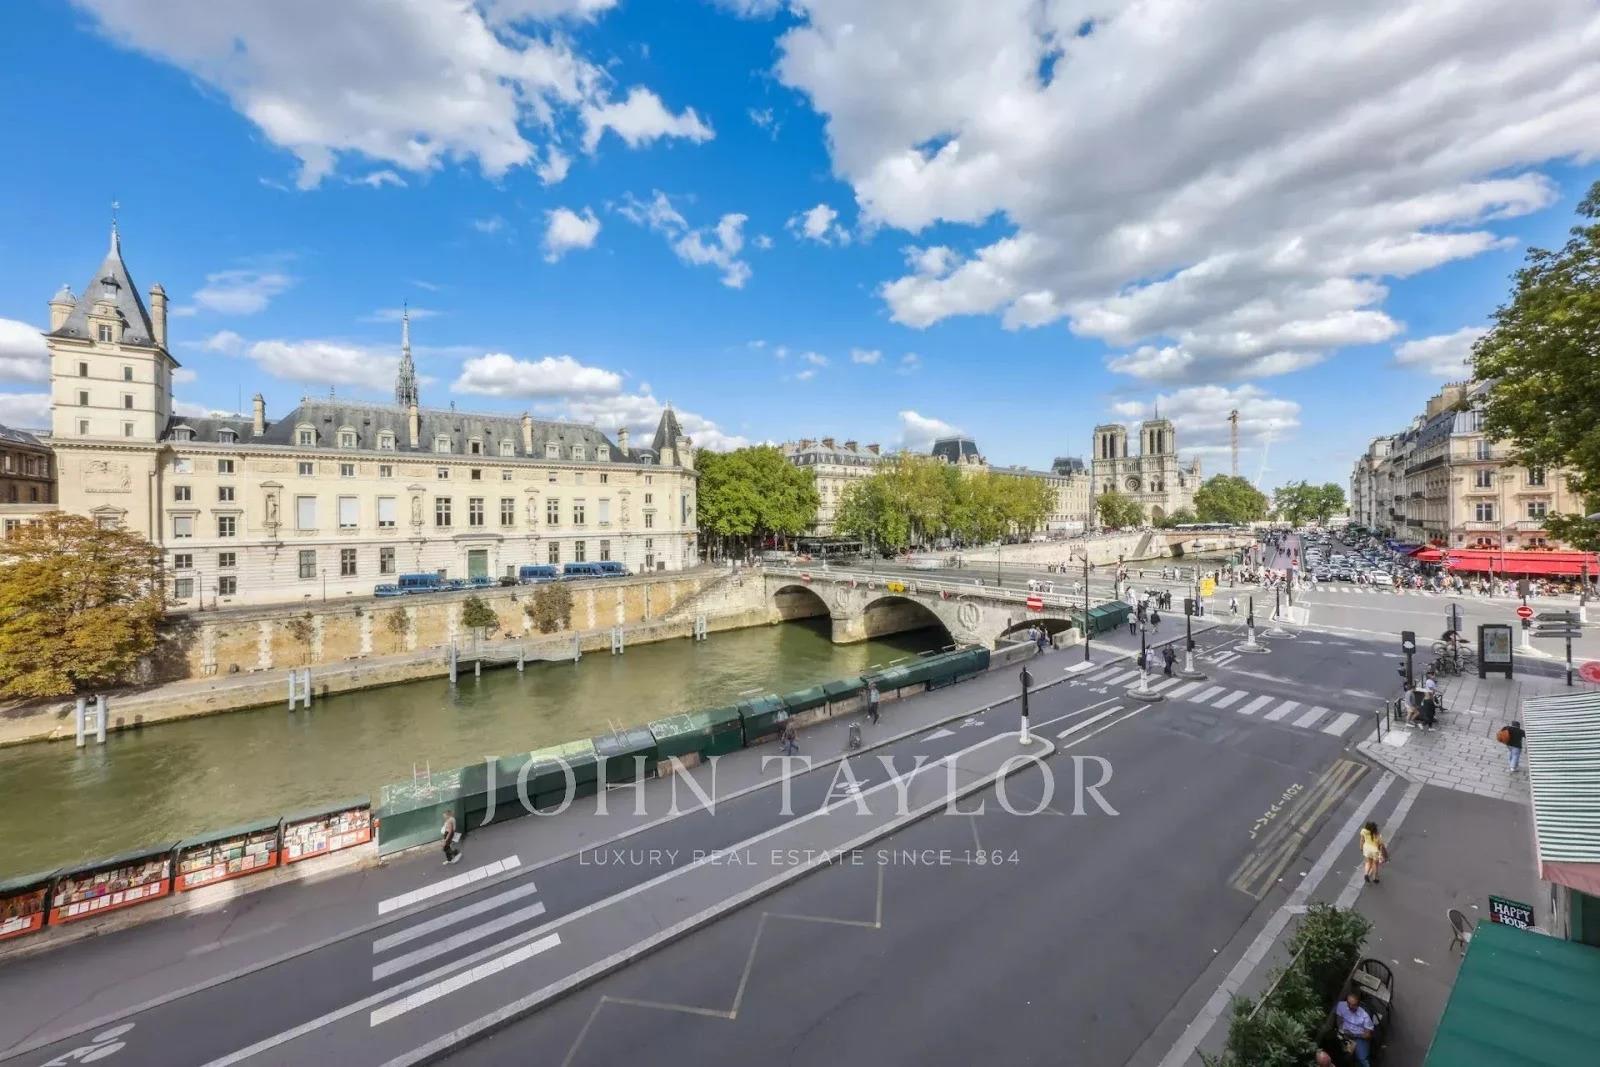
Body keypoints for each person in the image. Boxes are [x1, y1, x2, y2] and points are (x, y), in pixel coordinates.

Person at [1335, 991, 1376, 1067]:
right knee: (1339, 1054)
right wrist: (1342, 1031)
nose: (1350, 1006)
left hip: (1358, 1037)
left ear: (1358, 1005)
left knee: (1362, 1060)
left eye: (1353, 1005)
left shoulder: (1364, 1016)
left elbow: (1368, 1035)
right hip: (1344, 1034)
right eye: (1348, 1003)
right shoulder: (1341, 1005)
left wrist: (1353, 1035)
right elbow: (1339, 1021)